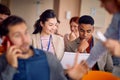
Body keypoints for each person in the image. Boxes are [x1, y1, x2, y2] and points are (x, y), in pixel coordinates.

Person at [0, 15, 89, 80]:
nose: (25, 39)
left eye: (26, 33)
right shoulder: (3, 62)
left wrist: (72, 78)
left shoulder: (49, 58)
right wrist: (11, 68)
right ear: (5, 40)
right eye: (17, 35)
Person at [86, 0, 120, 77]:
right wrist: (86, 65)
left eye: (104, 2)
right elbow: (103, 43)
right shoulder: (117, 16)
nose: (102, 6)